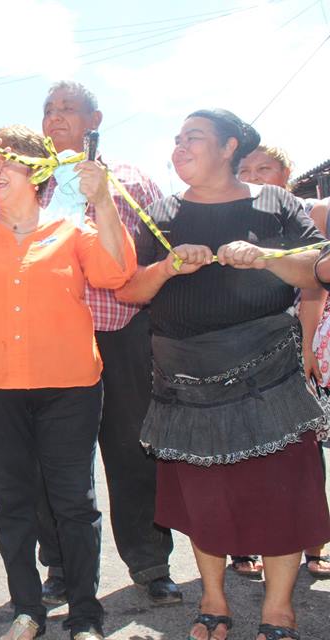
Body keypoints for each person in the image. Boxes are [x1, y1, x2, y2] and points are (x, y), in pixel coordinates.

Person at [116, 109, 330, 640]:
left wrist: (265, 258)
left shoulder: (279, 204)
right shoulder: (158, 213)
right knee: (203, 493)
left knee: (282, 490)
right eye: (176, 139)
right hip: (184, 374)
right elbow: (127, 291)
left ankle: (278, 606)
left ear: (231, 146)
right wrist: (167, 267)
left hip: (269, 370)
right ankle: (213, 597)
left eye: (194, 138)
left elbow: (318, 270)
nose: (179, 147)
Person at [0, 125, 134, 640]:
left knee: (73, 502)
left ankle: (85, 613)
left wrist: (103, 200)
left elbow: (117, 270)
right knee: (12, 499)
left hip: (69, 387)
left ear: (38, 174)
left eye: (5, 162)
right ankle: (27, 608)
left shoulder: (72, 232)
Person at [34, 81, 179, 607]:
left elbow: (163, 249)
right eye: (48, 110)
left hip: (122, 332)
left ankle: (150, 563)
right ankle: (61, 567)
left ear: (95, 119)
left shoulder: (130, 178)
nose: (55, 118)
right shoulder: (30, 182)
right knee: (54, 462)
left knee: (132, 452)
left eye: (68, 109)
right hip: (53, 340)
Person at [236, 145, 330, 581]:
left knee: (303, 451)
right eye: (245, 170)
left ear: (286, 174)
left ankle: (314, 542)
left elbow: (315, 289)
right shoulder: (229, 218)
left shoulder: (306, 217)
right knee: (242, 448)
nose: (255, 177)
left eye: (264, 169)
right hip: (240, 354)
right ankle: (244, 543)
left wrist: (309, 349)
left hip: (296, 347)